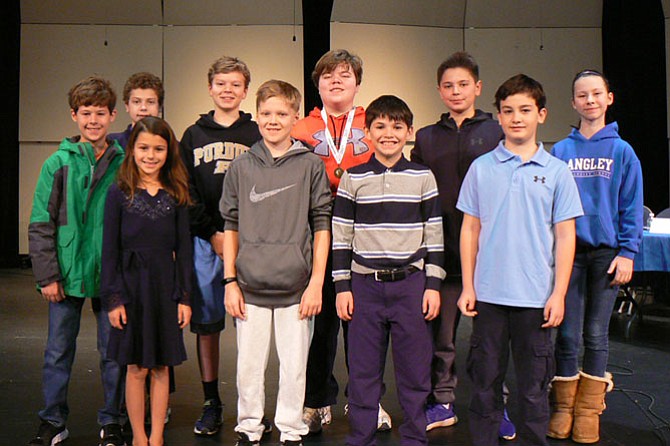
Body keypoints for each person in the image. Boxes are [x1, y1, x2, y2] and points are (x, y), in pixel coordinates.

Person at [457, 74, 583, 446]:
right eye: (508, 110)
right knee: (484, 385)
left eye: (525, 110)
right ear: (498, 116)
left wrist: (558, 294)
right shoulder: (482, 168)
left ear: (541, 114)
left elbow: (565, 236)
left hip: (536, 300)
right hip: (489, 298)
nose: (516, 118)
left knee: (533, 391)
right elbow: (470, 230)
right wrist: (468, 285)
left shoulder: (557, 172)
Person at [410, 51, 516, 440]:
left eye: (463, 84)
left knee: (490, 341)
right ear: (439, 90)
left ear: (478, 88)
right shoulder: (425, 137)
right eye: (448, 85)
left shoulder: (496, 132)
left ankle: (494, 404)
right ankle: (443, 402)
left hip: (490, 257)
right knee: (441, 340)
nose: (456, 91)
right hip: (441, 256)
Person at [220, 79, 332, 446]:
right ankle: (249, 427)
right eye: (266, 113)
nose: (273, 120)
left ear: (295, 117)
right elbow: (231, 225)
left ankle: (291, 428)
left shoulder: (310, 166)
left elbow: (321, 225)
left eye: (282, 113)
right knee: (248, 368)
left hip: (297, 288)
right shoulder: (241, 167)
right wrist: (230, 281)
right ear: (257, 117)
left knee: (294, 367)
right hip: (249, 287)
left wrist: (316, 283)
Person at [333, 95, 445, 446]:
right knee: (364, 371)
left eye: (397, 127)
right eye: (379, 126)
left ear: (409, 132)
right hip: (365, 286)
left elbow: (434, 233)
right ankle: (360, 437)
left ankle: (414, 437)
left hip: (410, 285)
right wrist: (342, 287)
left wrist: (433, 284)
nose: (388, 134)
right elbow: (341, 236)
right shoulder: (353, 178)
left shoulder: (422, 176)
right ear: (367, 133)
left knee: (414, 370)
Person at [292, 48, 393, 434]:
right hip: (313, 233)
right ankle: (316, 401)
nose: (336, 80)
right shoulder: (299, 129)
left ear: (358, 83)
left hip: (365, 234)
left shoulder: (375, 124)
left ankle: (367, 399)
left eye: (345, 75)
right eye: (328, 75)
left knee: (363, 324)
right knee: (319, 323)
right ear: (317, 83)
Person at [28, 76, 126, 446]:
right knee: (57, 351)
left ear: (112, 115)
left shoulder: (123, 162)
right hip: (66, 276)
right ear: (74, 115)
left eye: (100, 113)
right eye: (86, 113)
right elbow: (40, 222)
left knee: (112, 353)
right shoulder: (58, 164)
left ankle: (112, 421)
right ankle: (52, 420)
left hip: (109, 274)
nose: (93, 120)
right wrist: (47, 275)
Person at [548, 69, 643, 444]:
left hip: (606, 254)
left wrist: (628, 252)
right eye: (582, 95)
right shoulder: (561, 151)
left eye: (596, 94)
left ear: (609, 99)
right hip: (570, 253)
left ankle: (589, 412)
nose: (589, 100)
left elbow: (631, 206)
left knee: (595, 333)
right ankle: (563, 408)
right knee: (567, 333)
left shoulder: (623, 151)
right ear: (572, 102)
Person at [179, 55, 261, 436]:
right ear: (210, 87)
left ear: (245, 91)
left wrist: (243, 236)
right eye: (221, 84)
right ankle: (211, 401)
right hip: (205, 243)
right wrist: (211, 232)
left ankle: (251, 405)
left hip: (251, 242)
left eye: (235, 85)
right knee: (208, 325)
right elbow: (186, 191)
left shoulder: (258, 134)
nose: (228, 90)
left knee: (251, 326)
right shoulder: (192, 136)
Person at [100, 116, 193, 446]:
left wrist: (184, 297)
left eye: (158, 149)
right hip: (130, 291)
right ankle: (138, 436)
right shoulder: (118, 194)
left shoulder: (177, 194)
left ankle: (156, 437)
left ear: (169, 152)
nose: (150, 155)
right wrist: (113, 299)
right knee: (136, 368)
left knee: (161, 368)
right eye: (143, 148)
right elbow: (109, 250)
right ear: (132, 150)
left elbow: (184, 251)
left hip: (164, 291)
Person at [109, 72, 164, 149]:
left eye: (150, 102)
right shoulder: (113, 143)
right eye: (136, 102)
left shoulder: (173, 145)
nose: (143, 107)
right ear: (127, 106)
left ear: (160, 106)